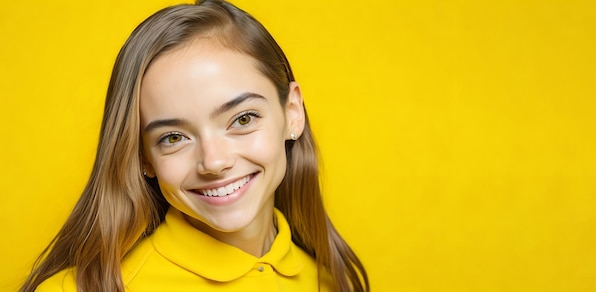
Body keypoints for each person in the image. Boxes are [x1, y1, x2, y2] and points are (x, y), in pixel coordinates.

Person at [19, 1, 369, 291]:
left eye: (242, 119)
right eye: (173, 138)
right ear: (144, 157)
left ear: (292, 113)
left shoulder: (333, 281)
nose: (214, 162)